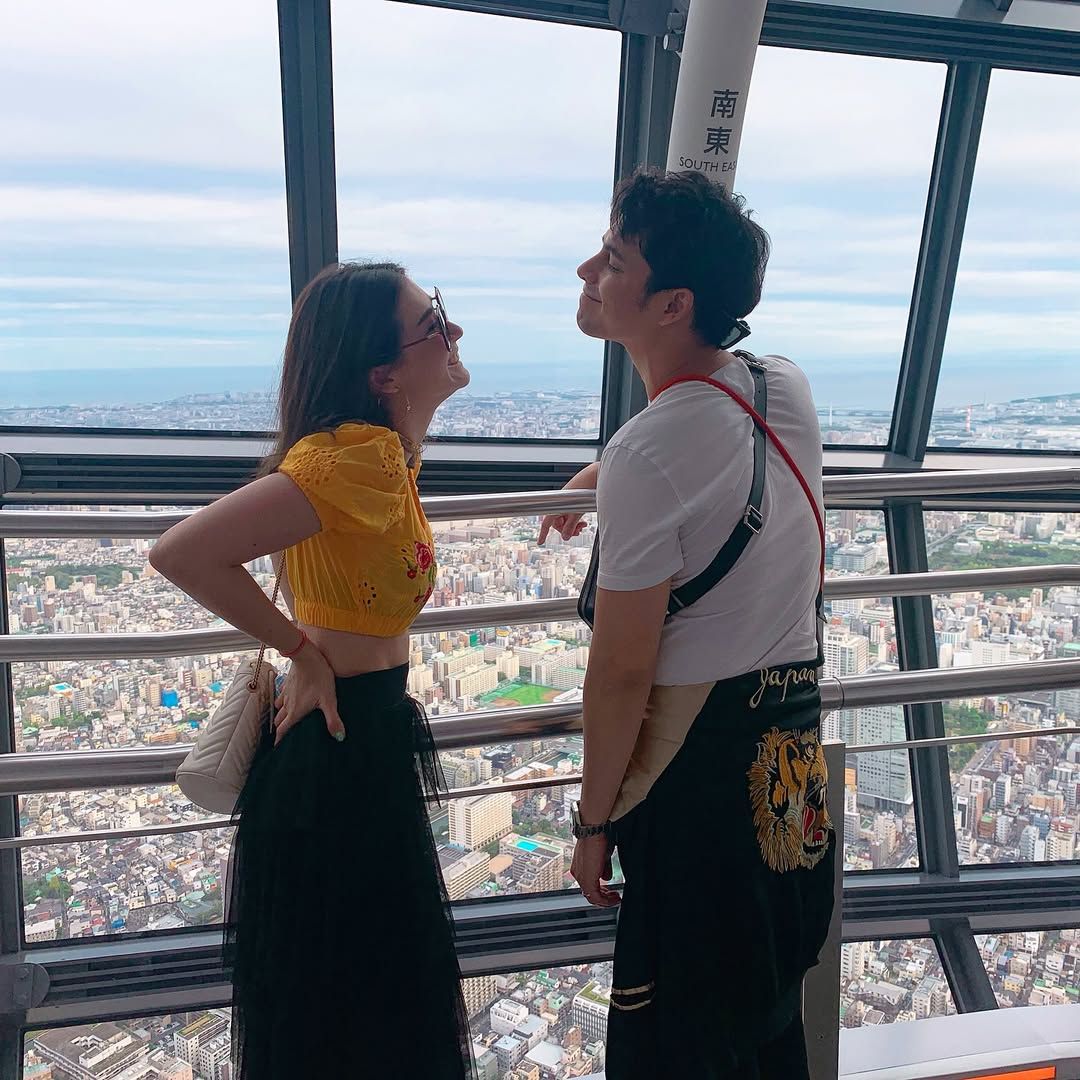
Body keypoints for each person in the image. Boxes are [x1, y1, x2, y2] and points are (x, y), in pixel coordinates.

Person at [540, 169, 835, 1079]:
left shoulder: (650, 452)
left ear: (672, 304)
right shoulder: (783, 385)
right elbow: (709, 438)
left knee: (683, 1039)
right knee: (766, 1021)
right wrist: (603, 472)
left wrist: (592, 823)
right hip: (790, 762)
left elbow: (621, 674)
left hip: (698, 790)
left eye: (612, 260)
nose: (586, 270)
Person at [150, 262, 475, 1079]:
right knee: (366, 1006)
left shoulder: (385, 457)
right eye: (433, 322)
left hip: (359, 740)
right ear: (382, 374)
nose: (455, 331)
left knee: (344, 1006)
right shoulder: (348, 460)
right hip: (339, 751)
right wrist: (301, 652)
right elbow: (181, 552)